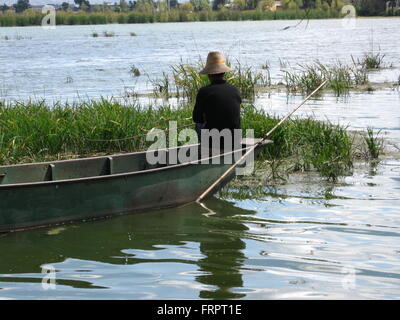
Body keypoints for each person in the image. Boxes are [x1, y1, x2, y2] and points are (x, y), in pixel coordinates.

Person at [192, 52, 242, 151]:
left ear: (209, 75)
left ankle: (207, 149)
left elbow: (196, 118)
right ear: (224, 73)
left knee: (198, 125)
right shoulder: (235, 90)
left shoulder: (204, 91)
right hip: (234, 139)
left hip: (213, 140)